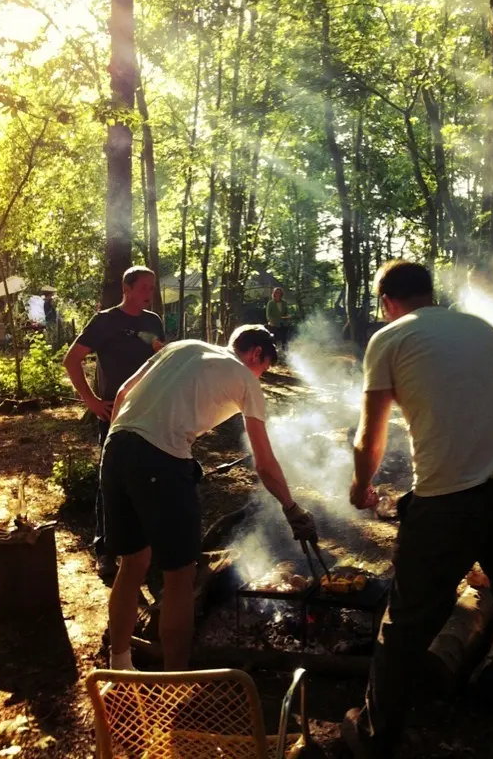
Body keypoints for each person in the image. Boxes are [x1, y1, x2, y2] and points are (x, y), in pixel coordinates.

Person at [343, 261, 493, 759]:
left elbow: (370, 434)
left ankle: (373, 737)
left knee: (405, 625)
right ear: (430, 292)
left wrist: (361, 485)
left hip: (449, 500)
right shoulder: (483, 330)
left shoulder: (389, 339)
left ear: (388, 302)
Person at [102, 324, 317, 671]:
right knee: (179, 579)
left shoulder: (183, 346)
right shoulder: (246, 378)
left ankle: (120, 665)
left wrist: (123, 449)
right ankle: (175, 681)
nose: (260, 376)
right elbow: (264, 463)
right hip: (161, 460)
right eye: (263, 368)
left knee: (132, 565)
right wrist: (291, 508)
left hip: (114, 449)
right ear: (256, 354)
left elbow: (125, 392)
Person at [64, 266, 165, 578]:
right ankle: (106, 549)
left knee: (149, 477)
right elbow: (72, 360)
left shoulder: (153, 321)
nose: (150, 293)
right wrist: (92, 401)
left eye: (152, 288)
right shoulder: (105, 321)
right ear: (127, 288)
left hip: (150, 412)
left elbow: (161, 360)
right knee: (111, 480)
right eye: (145, 288)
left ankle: (147, 547)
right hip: (114, 414)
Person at [266, 286, 290, 351]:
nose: (278, 294)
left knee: (284, 339)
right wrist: (271, 321)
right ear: (274, 294)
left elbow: (287, 313)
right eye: (276, 293)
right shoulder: (270, 303)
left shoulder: (284, 303)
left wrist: (288, 317)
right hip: (273, 324)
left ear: (281, 294)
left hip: (283, 323)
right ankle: (274, 353)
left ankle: (284, 353)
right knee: (274, 339)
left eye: (279, 293)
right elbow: (268, 315)